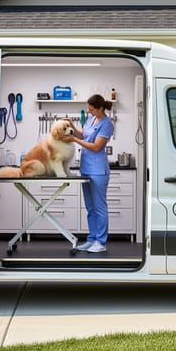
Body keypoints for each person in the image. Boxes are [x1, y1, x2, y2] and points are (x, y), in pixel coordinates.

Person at [64, 94, 114, 253]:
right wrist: (73, 126)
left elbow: (96, 147)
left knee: (99, 207)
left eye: (91, 109)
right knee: (90, 208)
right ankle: (91, 239)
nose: (89, 111)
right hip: (85, 169)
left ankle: (101, 242)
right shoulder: (92, 119)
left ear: (100, 108)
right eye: (88, 108)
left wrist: (74, 140)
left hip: (98, 171)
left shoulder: (107, 124)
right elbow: (83, 135)